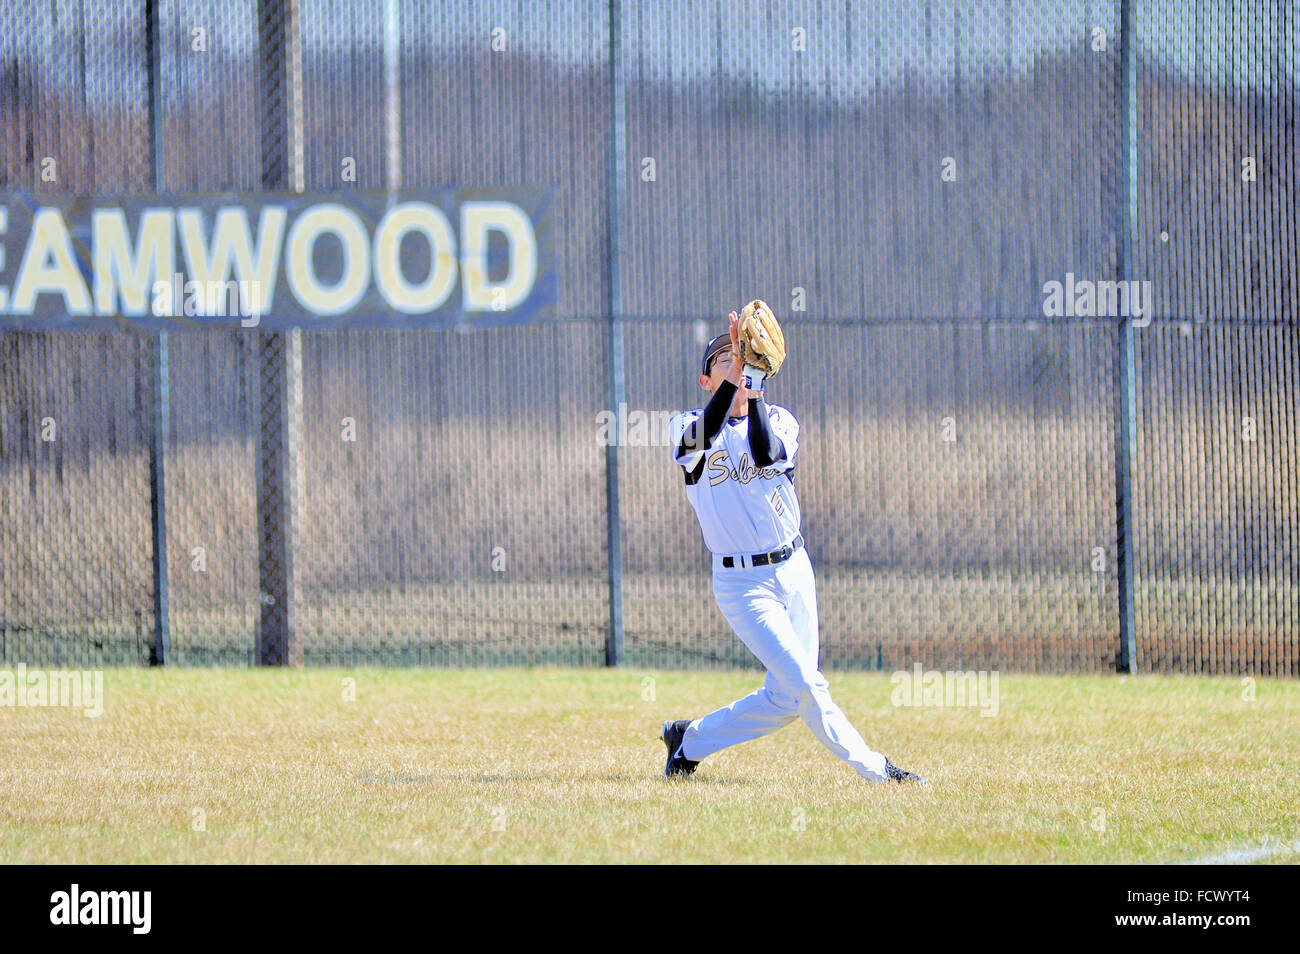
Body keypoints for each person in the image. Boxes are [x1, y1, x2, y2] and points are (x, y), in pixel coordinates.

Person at [661, 309, 925, 784]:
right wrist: (739, 377)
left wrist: (752, 384)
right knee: (805, 682)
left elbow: (764, 453)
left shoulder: (781, 420)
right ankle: (876, 770)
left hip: (794, 568)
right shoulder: (685, 427)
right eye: (723, 358)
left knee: (785, 698)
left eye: (739, 354)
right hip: (743, 584)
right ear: (706, 381)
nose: (734, 361)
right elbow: (704, 432)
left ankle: (688, 741)